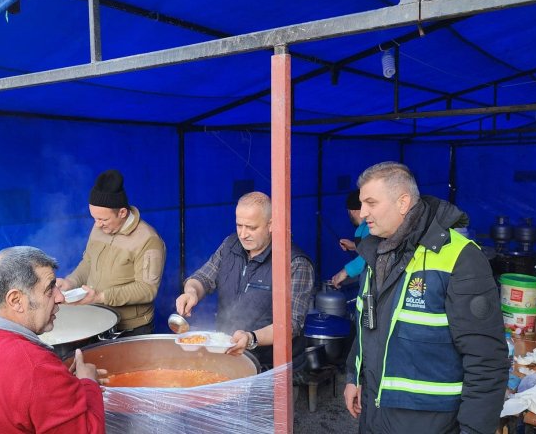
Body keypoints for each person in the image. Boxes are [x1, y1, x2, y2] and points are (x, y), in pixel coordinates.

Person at [342, 162, 508, 434]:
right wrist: (353, 375)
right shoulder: (373, 252)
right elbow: (366, 322)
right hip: (374, 413)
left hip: (429, 422)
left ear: (403, 202)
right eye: (362, 204)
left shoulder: (460, 258)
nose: (363, 214)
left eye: (371, 203)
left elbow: (487, 360)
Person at [0, 246, 105, 434]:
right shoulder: (36, 367)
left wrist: (60, 385)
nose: (60, 297)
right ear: (15, 300)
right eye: (50, 290)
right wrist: (88, 383)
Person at [175, 191, 315, 367]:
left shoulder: (295, 263)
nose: (243, 234)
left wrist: (251, 338)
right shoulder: (230, 245)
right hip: (228, 354)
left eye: (251, 227)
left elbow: (291, 324)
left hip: (272, 365)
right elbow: (202, 277)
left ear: (271, 225)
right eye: (239, 225)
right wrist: (191, 292)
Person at [58, 169, 166, 335]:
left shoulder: (148, 239)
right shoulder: (99, 227)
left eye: (103, 219)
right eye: (94, 218)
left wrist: (101, 297)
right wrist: (70, 282)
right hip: (97, 319)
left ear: (122, 212)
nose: (98, 224)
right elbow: (88, 262)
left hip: (131, 328)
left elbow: (147, 290)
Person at [330, 190, 370, 287]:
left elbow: (370, 256)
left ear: (352, 210)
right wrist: (353, 246)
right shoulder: (364, 228)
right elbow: (371, 248)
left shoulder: (371, 227)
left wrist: (344, 272)